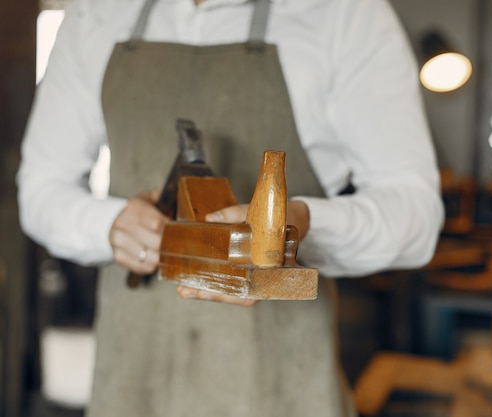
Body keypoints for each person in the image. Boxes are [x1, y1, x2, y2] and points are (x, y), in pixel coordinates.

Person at [17, 0, 444, 415]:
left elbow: (415, 212)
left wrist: (302, 225)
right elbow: (40, 189)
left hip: (281, 387)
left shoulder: (344, 13)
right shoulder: (97, 12)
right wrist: (109, 227)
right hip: (133, 381)